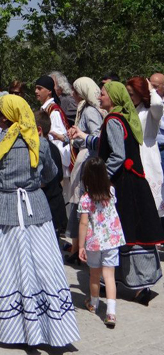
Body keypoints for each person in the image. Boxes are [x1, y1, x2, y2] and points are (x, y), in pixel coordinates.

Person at [0, 94, 80, 346]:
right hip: (36, 209)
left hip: (5, 210)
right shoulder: (39, 141)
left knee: (10, 266)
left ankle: (15, 327)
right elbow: (52, 173)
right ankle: (51, 325)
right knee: (42, 265)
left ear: (7, 117)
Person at [70, 81, 164, 305]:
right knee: (131, 234)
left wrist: (103, 179)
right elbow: (106, 145)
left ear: (113, 97)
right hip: (134, 184)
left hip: (123, 185)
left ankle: (116, 284)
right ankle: (138, 285)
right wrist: (83, 136)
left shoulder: (113, 120)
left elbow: (117, 155)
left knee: (116, 232)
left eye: (102, 94)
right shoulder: (124, 118)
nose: (99, 97)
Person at [78, 157, 126, 329]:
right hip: (112, 240)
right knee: (109, 276)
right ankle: (111, 313)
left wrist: (81, 246)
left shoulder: (85, 199)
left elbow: (84, 223)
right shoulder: (111, 191)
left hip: (94, 242)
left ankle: (94, 303)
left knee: (94, 274)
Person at [64, 77, 104, 265]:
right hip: (85, 156)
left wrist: (80, 137)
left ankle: (84, 250)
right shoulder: (87, 109)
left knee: (83, 203)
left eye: (75, 90)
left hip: (88, 158)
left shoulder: (89, 111)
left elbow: (96, 136)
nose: (73, 94)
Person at [126, 77, 164, 217]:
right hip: (133, 153)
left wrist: (151, 90)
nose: (129, 97)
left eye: (131, 94)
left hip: (148, 153)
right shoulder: (131, 110)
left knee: (151, 202)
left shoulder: (151, 111)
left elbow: (158, 104)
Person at [35, 110, 67, 237]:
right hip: (54, 204)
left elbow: (48, 178)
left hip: (49, 205)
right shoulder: (54, 148)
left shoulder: (43, 150)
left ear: (38, 130)